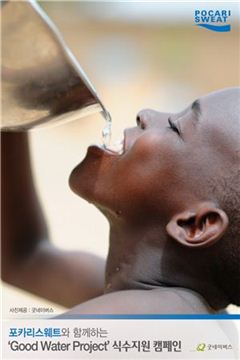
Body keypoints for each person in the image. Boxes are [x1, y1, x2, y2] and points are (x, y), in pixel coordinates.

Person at [1, 87, 240, 314]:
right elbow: (23, 256)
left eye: (175, 128)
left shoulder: (143, 318)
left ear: (194, 225)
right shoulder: (181, 308)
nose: (145, 114)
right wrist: (12, 95)